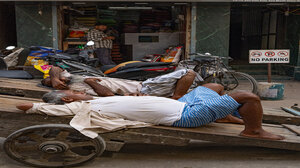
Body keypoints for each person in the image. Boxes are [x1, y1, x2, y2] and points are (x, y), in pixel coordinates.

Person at [17, 84, 283, 141]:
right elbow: (31, 106)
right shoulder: (78, 106)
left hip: (185, 104)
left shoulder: (95, 98)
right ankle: (253, 129)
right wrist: (35, 106)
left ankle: (224, 112)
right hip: (186, 116)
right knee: (248, 97)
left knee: (211, 85)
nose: (78, 91)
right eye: (73, 92)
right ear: (67, 99)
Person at [41, 66, 197, 100]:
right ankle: (178, 96)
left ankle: (178, 95)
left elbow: (54, 67)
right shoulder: (77, 90)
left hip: (143, 85)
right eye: (54, 82)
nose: (62, 79)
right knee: (188, 72)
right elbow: (108, 95)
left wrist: (54, 77)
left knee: (196, 85)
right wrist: (90, 82)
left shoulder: (70, 78)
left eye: (59, 78)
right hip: (143, 89)